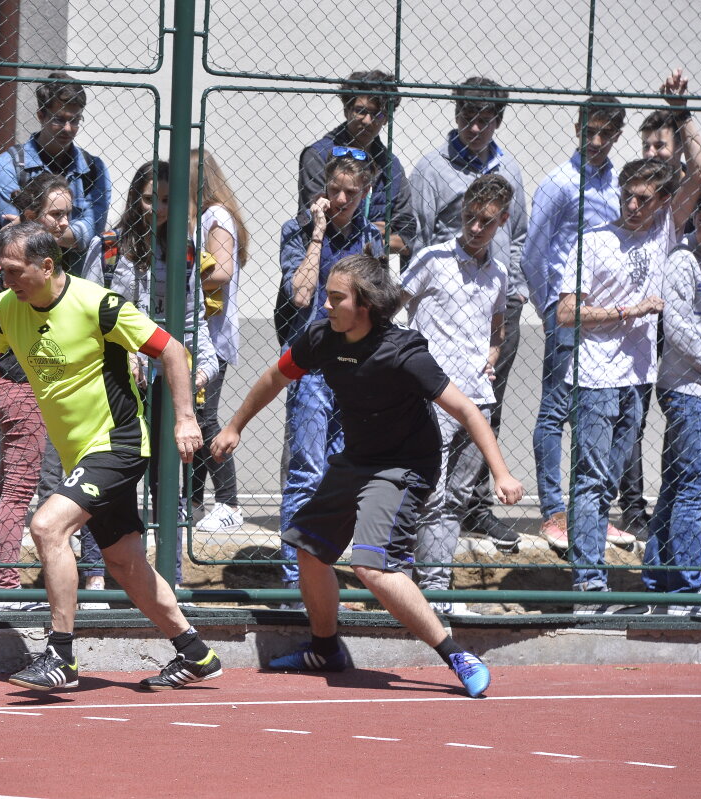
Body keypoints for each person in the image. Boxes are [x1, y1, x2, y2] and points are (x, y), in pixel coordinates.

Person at [0, 222, 222, 692]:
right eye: (3, 270)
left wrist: (185, 418)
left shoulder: (97, 306)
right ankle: (195, 652)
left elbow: (174, 351)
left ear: (47, 264)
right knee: (124, 563)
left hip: (117, 444)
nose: (7, 280)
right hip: (81, 453)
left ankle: (60, 655)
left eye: (16, 271)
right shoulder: (6, 309)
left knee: (46, 526)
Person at [212, 253, 523, 698]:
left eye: (335, 298)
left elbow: (466, 409)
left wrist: (502, 473)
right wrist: (234, 425)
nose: (325, 305)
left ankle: (457, 654)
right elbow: (273, 378)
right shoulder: (323, 337)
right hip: (358, 459)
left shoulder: (403, 352)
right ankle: (325, 649)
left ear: (366, 305)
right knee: (308, 549)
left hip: (403, 465)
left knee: (371, 565)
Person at [557, 75, 701, 611]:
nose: (632, 206)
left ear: (662, 201)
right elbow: (567, 312)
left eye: (643, 198)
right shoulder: (594, 241)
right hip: (596, 377)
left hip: (638, 378)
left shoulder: (664, 230)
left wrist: (682, 110)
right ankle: (588, 587)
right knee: (592, 481)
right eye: (627, 196)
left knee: (614, 485)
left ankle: (611, 582)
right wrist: (630, 309)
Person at [82, 160, 217, 589]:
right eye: (147, 199)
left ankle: (169, 581)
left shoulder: (185, 249)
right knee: (105, 481)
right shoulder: (108, 247)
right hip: (114, 383)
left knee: (169, 486)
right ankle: (96, 579)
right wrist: (123, 351)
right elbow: (86, 311)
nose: (156, 209)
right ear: (132, 199)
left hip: (164, 381)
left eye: (164, 201)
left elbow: (193, 318)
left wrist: (203, 366)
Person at [410, 76, 527, 553]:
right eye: (467, 116)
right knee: (435, 430)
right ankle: (420, 544)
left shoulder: (511, 169)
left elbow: (517, 236)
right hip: (446, 316)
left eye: (486, 119)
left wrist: (513, 290)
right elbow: (417, 236)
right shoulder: (432, 169)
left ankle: (476, 505)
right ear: (456, 115)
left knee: (483, 409)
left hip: (497, 302)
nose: (475, 126)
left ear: (498, 120)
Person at [276, 149, 383, 599]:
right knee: (306, 471)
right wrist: (319, 233)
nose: (341, 199)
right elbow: (301, 296)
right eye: (334, 189)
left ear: (364, 195)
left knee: (343, 472)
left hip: (354, 368)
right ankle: (294, 577)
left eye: (351, 193)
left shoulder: (371, 241)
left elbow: (375, 307)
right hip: (314, 364)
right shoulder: (298, 231)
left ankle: (322, 567)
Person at [522, 95, 628, 550]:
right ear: (577, 128)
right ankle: (554, 512)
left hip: (606, 322)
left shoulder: (617, 187)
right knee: (555, 413)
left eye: (606, 133)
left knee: (604, 416)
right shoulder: (560, 182)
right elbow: (533, 253)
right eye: (590, 131)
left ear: (618, 135)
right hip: (566, 316)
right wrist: (551, 312)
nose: (597, 141)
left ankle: (592, 512)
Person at [402, 174, 511, 617]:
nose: (475, 227)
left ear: (502, 220)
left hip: (476, 398)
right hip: (433, 395)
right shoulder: (433, 258)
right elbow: (395, 306)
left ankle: (437, 586)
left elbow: (497, 326)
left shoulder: (499, 274)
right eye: (470, 216)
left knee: (456, 497)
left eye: (486, 220)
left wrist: (492, 353)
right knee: (429, 491)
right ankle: (422, 587)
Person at [0, 173, 83, 610]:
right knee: (19, 490)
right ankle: (5, 587)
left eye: (68, 215)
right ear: (32, 216)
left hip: (22, 382)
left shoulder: (45, 259)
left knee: (7, 489)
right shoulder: (24, 265)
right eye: (55, 214)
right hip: (20, 383)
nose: (64, 224)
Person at [638, 182, 701, 617]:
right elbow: (680, 327)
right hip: (690, 389)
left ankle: (657, 582)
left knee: (676, 490)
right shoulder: (683, 260)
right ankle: (687, 591)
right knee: (696, 490)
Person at [0, 71, 111, 276]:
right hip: (22, 282)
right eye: (59, 119)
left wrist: (33, 226)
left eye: (76, 120)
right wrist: (69, 234)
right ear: (41, 115)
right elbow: (12, 232)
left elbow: (92, 231)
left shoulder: (94, 169)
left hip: (75, 282)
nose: (68, 129)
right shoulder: (8, 164)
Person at [186, 149, 248, 534]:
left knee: (205, 419)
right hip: (197, 332)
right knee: (190, 418)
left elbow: (221, 271)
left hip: (211, 334)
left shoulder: (216, 216)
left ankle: (229, 502)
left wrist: (181, 281)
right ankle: (192, 502)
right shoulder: (202, 216)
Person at [298, 68, 416, 259]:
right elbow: (314, 221)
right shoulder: (318, 156)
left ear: (386, 118)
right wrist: (378, 229)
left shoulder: (391, 167)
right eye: (361, 111)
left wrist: (356, 231)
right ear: (347, 110)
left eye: (377, 114)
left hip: (373, 275)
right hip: (325, 265)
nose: (368, 121)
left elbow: (407, 238)